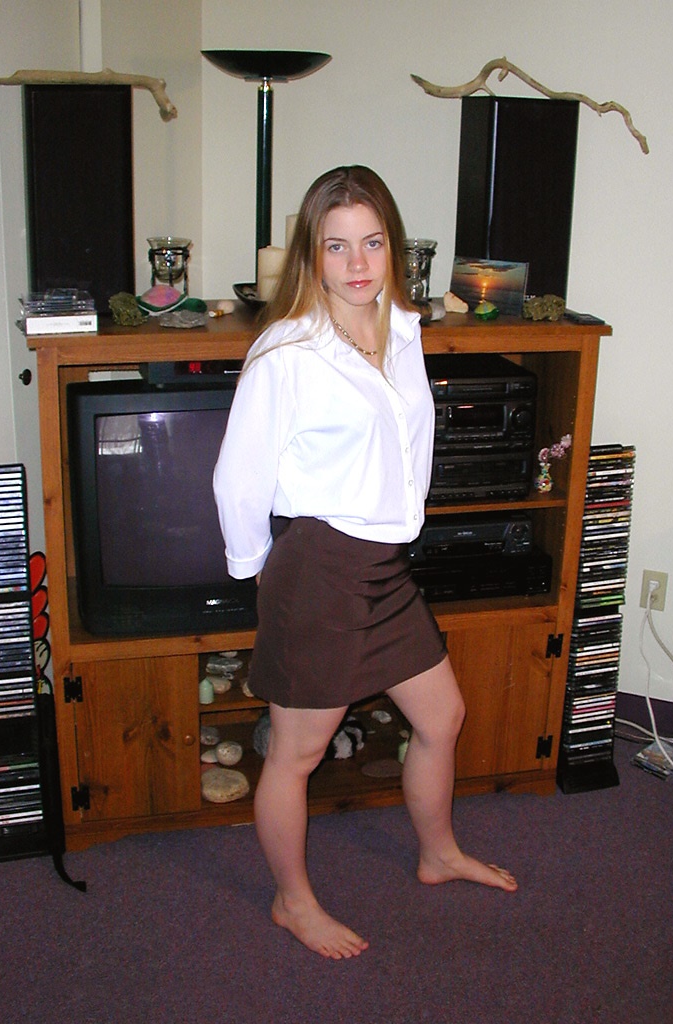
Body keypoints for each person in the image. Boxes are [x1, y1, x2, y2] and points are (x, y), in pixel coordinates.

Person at [213, 165, 517, 960]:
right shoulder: (288, 352)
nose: (357, 263)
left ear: (393, 247)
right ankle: (292, 901)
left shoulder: (402, 328)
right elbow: (237, 479)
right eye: (337, 245)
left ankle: (438, 853)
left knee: (442, 717)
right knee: (297, 753)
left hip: (384, 566)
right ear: (311, 256)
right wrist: (261, 575)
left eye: (372, 243)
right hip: (320, 567)